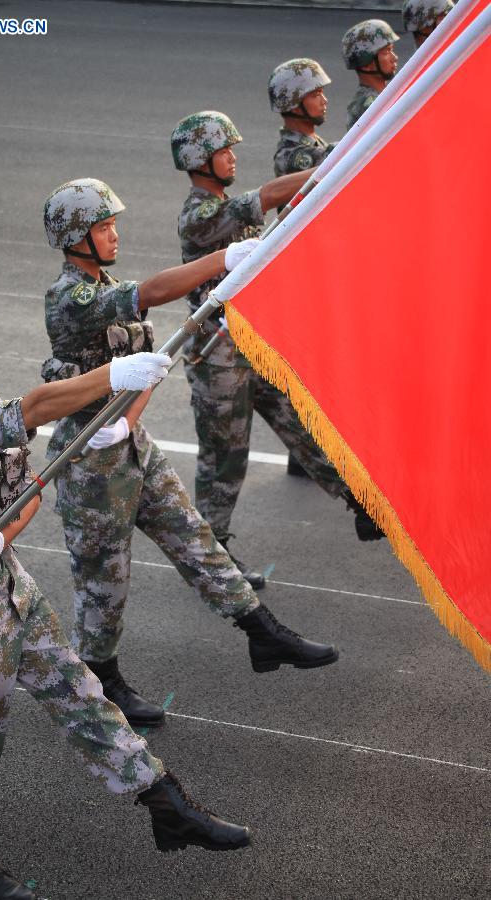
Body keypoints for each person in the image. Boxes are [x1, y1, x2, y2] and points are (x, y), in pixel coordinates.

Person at [0, 273, 254, 900]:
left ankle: (165, 802)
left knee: (79, 690)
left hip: (6, 582)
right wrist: (112, 378)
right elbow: (34, 410)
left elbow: (27, 491)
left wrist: (1, 540)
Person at [42, 177, 339, 728]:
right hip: (88, 459)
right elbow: (151, 293)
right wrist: (222, 257)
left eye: (112, 225)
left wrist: (128, 424)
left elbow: (148, 366)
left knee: (197, 540)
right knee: (104, 583)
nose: (114, 234)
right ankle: (101, 683)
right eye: (103, 227)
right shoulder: (69, 298)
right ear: (75, 238)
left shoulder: (106, 283)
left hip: (128, 444)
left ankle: (263, 634)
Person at [172, 110, 384, 560]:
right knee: (225, 459)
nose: (232, 158)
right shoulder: (199, 215)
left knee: (305, 423)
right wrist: (338, 162)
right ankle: (215, 557)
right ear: (199, 160)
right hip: (217, 359)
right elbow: (267, 195)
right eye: (222, 151)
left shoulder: (224, 208)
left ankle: (361, 503)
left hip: (251, 343)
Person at [268, 58, 339, 477]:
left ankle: (304, 457)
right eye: (315, 93)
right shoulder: (298, 156)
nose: (323, 99)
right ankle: (308, 457)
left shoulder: (310, 147)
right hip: (310, 273)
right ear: (294, 103)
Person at [342, 20, 400, 130]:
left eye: (391, 50)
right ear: (365, 64)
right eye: (386, 52)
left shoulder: (382, 97)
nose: (394, 58)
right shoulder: (370, 106)